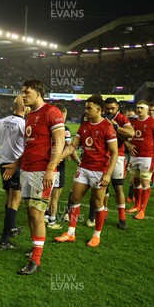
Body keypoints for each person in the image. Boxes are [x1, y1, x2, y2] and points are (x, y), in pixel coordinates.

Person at [3, 79, 65, 275]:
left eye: (26, 92)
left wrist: (51, 167)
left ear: (38, 93)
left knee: (37, 213)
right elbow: (30, 146)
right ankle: (34, 248)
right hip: (27, 170)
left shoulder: (51, 112)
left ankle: (36, 260)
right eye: (22, 92)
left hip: (42, 171)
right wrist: (16, 164)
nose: (23, 95)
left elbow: (59, 141)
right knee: (30, 212)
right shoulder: (30, 115)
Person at [55, 95, 118, 247]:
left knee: (97, 202)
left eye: (89, 108)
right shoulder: (84, 125)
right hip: (84, 168)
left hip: (99, 170)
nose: (86, 111)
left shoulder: (107, 127)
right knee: (74, 199)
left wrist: (108, 174)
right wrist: (58, 158)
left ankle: (96, 235)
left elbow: (114, 152)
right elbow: (72, 147)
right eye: (85, 108)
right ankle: (70, 233)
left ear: (99, 109)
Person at [0, 95, 26, 249]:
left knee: (9, 197)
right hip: (16, 166)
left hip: (3, 164)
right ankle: (4, 240)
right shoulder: (24, 123)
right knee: (15, 200)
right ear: (24, 107)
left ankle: (11, 227)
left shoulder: (1, 121)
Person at [124, 100, 154, 220]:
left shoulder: (153, 122)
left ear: (147, 109)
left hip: (147, 157)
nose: (139, 110)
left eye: (142, 108)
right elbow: (124, 136)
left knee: (145, 183)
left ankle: (142, 209)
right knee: (135, 182)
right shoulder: (132, 122)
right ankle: (137, 205)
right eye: (138, 107)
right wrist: (128, 144)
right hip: (134, 156)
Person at [45, 103, 79, 230]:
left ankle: (44, 216)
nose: (64, 118)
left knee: (45, 194)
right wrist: (78, 161)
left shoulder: (46, 126)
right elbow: (70, 147)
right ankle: (52, 221)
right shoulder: (64, 129)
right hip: (58, 167)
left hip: (46, 164)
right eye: (63, 115)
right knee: (55, 195)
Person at [103, 97, 135, 229]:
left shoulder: (121, 118)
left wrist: (115, 126)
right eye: (108, 108)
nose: (110, 111)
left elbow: (131, 133)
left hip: (118, 156)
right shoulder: (100, 116)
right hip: (102, 156)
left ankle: (122, 217)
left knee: (118, 188)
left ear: (117, 108)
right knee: (102, 187)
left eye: (113, 108)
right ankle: (103, 213)